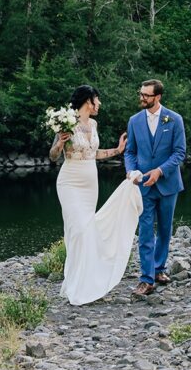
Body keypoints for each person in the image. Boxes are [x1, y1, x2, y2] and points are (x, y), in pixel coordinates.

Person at [49, 85, 141, 305]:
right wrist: (60, 142)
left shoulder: (94, 124)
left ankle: (87, 281)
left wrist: (117, 151)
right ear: (89, 101)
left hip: (91, 183)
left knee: (87, 229)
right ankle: (77, 284)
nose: (100, 104)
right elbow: (53, 156)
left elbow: (93, 153)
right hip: (70, 181)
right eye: (98, 100)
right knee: (78, 230)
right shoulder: (67, 122)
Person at [123, 79, 187, 296]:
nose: (142, 98)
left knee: (165, 230)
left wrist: (160, 171)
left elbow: (179, 152)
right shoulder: (134, 121)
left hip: (168, 184)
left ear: (157, 97)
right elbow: (130, 152)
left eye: (146, 95)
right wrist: (131, 171)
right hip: (143, 186)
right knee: (145, 231)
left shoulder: (174, 119)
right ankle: (146, 278)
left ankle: (159, 268)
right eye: (141, 93)